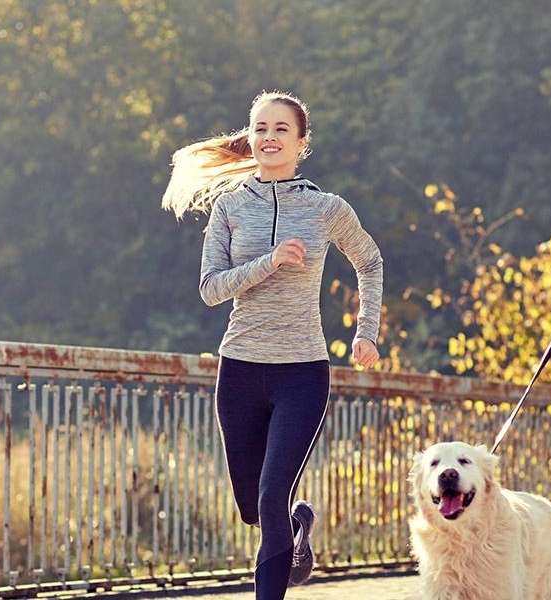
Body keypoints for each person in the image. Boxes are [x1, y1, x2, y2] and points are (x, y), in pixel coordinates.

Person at [162, 91, 384, 599]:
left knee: (269, 496)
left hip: (302, 371)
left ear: (301, 141)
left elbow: (369, 262)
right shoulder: (231, 207)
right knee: (252, 507)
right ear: (251, 137)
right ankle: (298, 523)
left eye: (281, 129)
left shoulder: (326, 208)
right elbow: (210, 289)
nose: (269, 138)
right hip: (239, 369)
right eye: (261, 129)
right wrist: (269, 262)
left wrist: (365, 331)